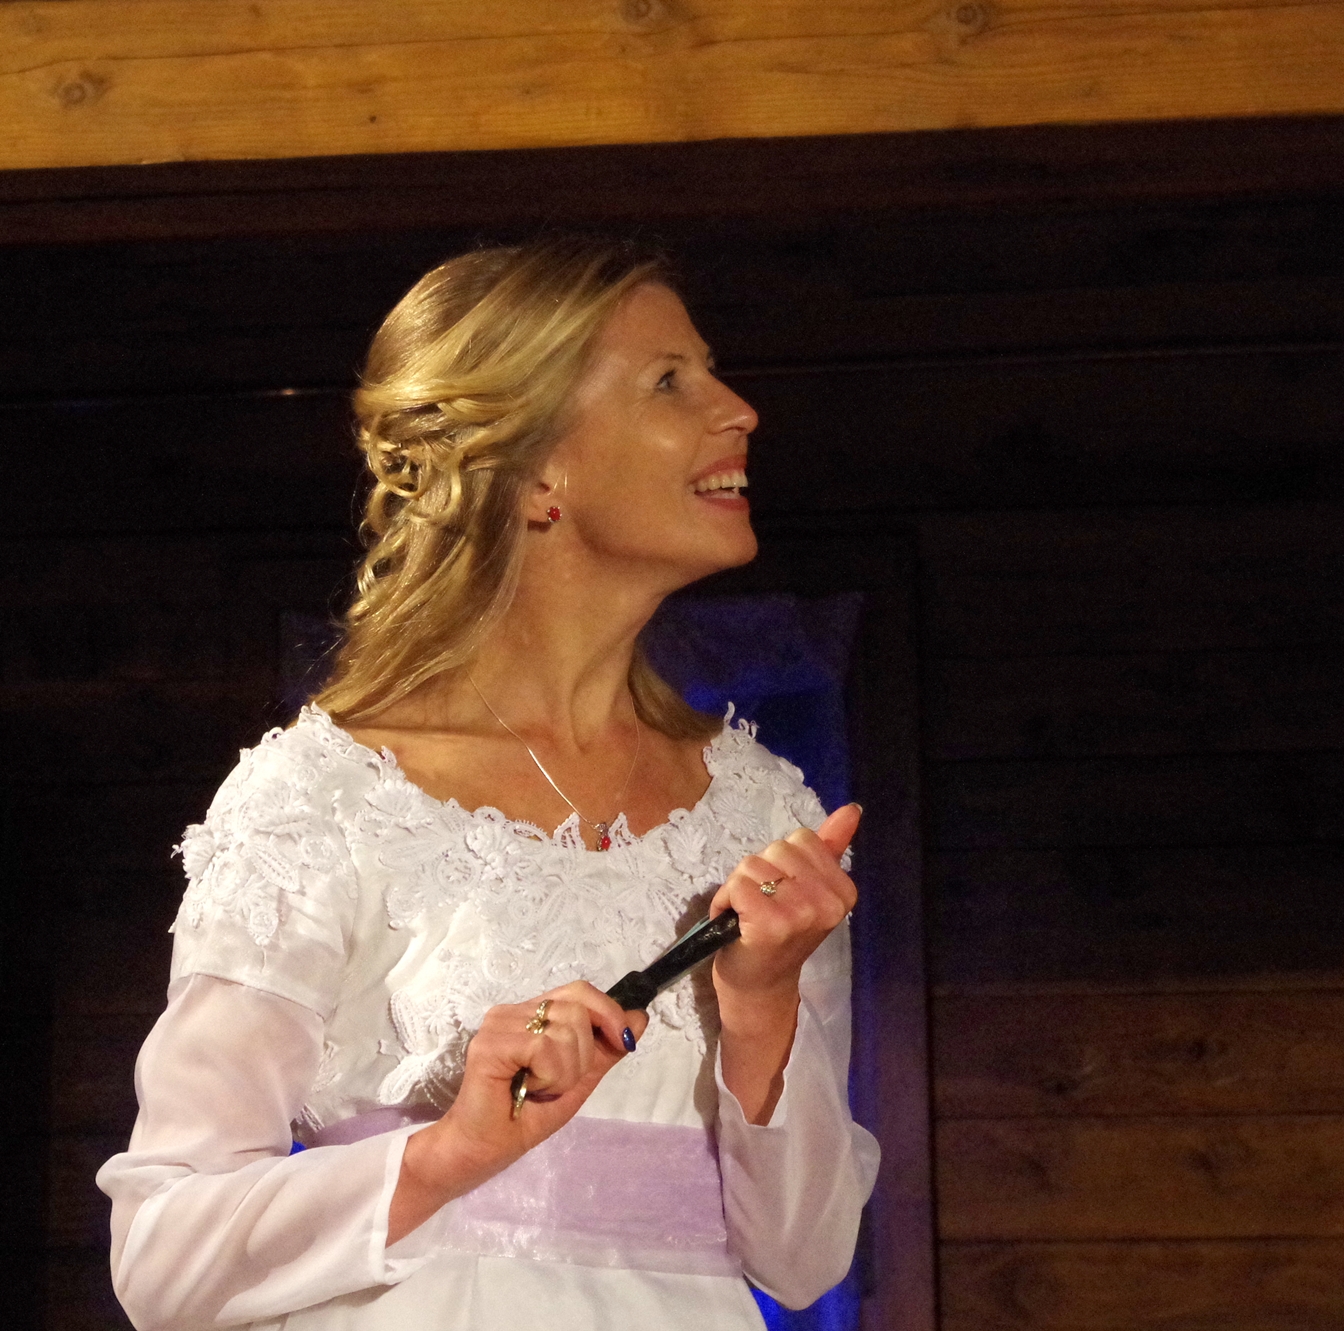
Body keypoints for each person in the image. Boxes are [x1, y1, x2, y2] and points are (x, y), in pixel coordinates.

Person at [96, 236, 880, 1330]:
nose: (739, 409)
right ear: (538, 470)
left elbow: (803, 1257)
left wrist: (759, 1005)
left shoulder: (764, 815)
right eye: (669, 381)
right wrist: (449, 1152)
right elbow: (165, 1256)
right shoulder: (323, 801)